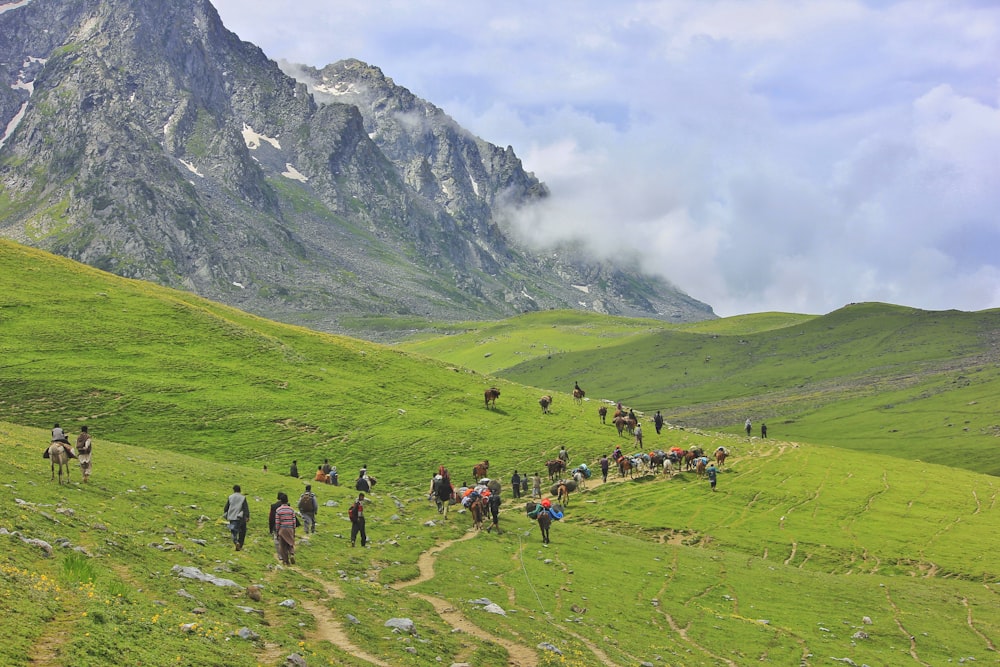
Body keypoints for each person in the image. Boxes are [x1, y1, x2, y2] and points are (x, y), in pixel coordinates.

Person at [222, 484, 250, 551]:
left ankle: (236, 542)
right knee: (242, 532)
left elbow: (226, 508)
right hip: (241, 517)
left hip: (232, 517)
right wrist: (247, 516)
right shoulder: (243, 497)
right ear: (240, 490)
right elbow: (245, 508)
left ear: (233, 490)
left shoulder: (230, 497)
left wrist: (226, 513)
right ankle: (240, 545)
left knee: (233, 531)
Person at [273, 493, 297, 565]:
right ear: (287, 500)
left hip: (282, 529)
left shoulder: (278, 510)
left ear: (281, 501)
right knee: (290, 543)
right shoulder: (291, 510)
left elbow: (277, 522)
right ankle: (292, 554)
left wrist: (277, 531)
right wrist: (293, 529)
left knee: (282, 545)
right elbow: (294, 521)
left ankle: (285, 561)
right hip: (290, 528)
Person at [268, 492, 286, 560]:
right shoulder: (288, 505)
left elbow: (271, 518)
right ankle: (286, 554)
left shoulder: (274, 506)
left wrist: (270, 528)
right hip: (286, 525)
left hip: (277, 525)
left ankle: (280, 555)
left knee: (277, 540)